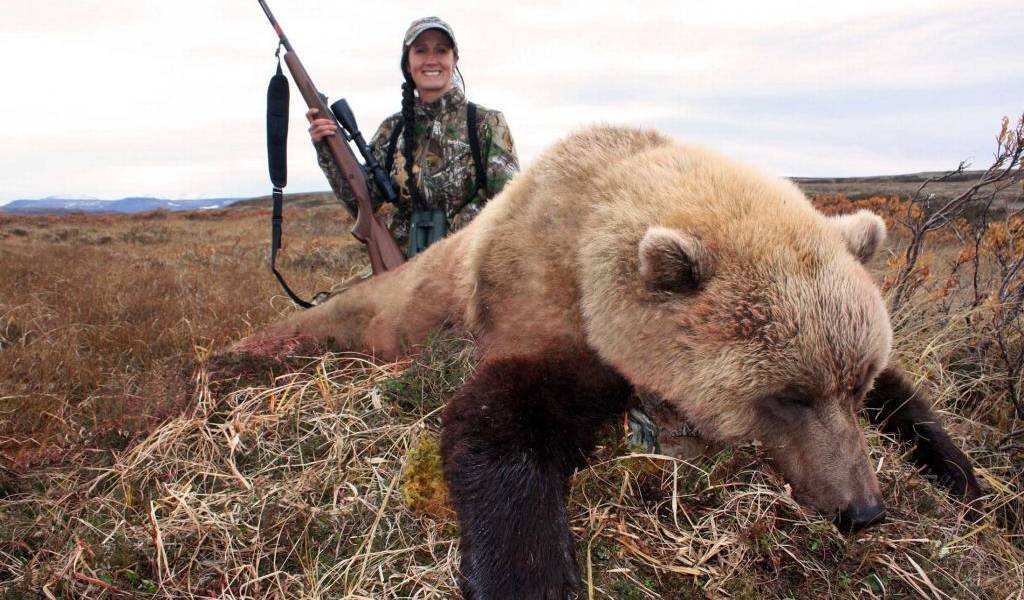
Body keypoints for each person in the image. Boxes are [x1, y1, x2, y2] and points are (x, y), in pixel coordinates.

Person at [306, 16, 519, 257]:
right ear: (407, 64)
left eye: (441, 50)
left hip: (468, 268)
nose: (431, 60)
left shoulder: (486, 123)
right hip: (402, 272)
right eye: (420, 51)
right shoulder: (392, 129)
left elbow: (512, 208)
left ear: (454, 60)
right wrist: (327, 148)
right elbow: (360, 202)